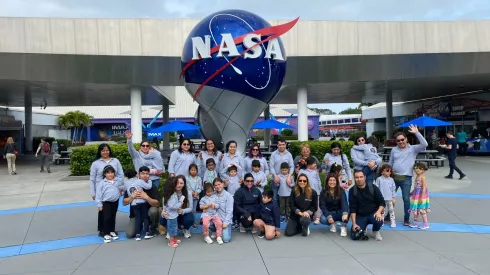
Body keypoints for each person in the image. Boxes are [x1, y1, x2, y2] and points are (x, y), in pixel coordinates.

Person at [389, 124, 428, 226]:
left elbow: (424, 144)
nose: (401, 142)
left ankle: (406, 218)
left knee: (406, 199)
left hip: (406, 178)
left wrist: (417, 133)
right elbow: (390, 162)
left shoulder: (413, 149)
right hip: (394, 177)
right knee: (389, 197)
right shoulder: (394, 150)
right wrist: (387, 174)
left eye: (402, 139)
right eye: (398, 140)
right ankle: (389, 216)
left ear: (406, 139)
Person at [89, 143, 124, 236]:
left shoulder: (115, 161)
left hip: (113, 189)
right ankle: (103, 230)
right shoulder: (95, 163)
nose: (105, 152)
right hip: (101, 190)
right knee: (103, 212)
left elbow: (120, 174)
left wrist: (120, 187)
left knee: (112, 211)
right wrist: (93, 193)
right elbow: (92, 179)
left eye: (107, 150)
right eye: (103, 150)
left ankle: (111, 229)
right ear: (100, 152)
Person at [123, 169, 160, 239]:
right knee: (129, 234)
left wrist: (146, 197)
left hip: (147, 211)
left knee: (153, 211)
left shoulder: (152, 186)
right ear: (138, 175)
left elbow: (157, 204)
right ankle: (139, 226)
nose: (145, 175)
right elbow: (124, 202)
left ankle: (152, 227)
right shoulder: (132, 185)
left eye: (147, 174)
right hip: (135, 212)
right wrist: (132, 197)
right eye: (143, 174)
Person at [349, 170, 385, 241]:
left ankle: (376, 230)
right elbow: (352, 208)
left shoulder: (373, 187)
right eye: (357, 177)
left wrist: (378, 212)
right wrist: (354, 224)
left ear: (365, 177)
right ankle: (363, 227)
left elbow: (382, 202)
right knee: (354, 236)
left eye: (361, 177)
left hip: (373, 213)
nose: (359, 179)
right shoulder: (352, 190)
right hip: (360, 216)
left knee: (378, 221)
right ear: (354, 178)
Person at [160, 175, 195, 240]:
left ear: (184, 184)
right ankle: (170, 231)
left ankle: (186, 229)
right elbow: (164, 208)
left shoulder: (188, 193)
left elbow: (191, 208)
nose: (179, 185)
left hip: (182, 214)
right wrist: (163, 213)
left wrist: (183, 211)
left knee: (190, 219)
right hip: (172, 214)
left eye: (181, 183)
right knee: (162, 219)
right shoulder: (170, 193)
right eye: (177, 183)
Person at [96, 165, 123, 243]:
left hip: (115, 202)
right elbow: (98, 194)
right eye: (108, 173)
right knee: (106, 217)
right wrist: (99, 204)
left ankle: (112, 231)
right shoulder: (102, 183)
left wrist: (121, 192)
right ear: (105, 174)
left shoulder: (117, 181)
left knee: (112, 216)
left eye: (112, 172)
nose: (110, 174)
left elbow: (120, 189)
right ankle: (106, 233)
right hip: (106, 202)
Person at [161, 177, 185, 248]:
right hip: (171, 216)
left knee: (174, 227)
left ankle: (174, 238)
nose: (177, 185)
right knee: (172, 228)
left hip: (174, 215)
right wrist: (180, 203)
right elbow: (172, 206)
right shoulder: (171, 196)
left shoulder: (172, 194)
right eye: (176, 184)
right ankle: (171, 241)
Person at [209, 178, 234, 243]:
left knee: (226, 239)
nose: (218, 186)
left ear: (223, 184)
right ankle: (214, 230)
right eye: (215, 185)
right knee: (206, 221)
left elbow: (230, 211)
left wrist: (225, 223)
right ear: (214, 187)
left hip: (224, 220)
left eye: (219, 184)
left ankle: (222, 230)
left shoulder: (228, 196)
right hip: (215, 218)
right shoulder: (212, 195)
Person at [298, 157, 322, 224]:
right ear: (309, 164)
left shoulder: (315, 171)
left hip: (316, 191)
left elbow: (318, 180)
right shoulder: (302, 171)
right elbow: (299, 180)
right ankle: (306, 216)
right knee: (307, 204)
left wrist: (320, 189)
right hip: (306, 191)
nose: (315, 165)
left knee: (317, 204)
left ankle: (317, 218)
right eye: (314, 163)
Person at [409, 163, 431, 229]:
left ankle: (426, 223)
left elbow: (424, 188)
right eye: (415, 168)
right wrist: (412, 192)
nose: (416, 169)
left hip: (421, 195)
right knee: (416, 209)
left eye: (418, 168)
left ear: (423, 170)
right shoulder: (416, 177)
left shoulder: (423, 178)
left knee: (421, 209)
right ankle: (415, 222)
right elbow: (416, 187)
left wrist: (422, 197)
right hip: (416, 195)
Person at [187, 164, 202, 228]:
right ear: (189, 171)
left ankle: (193, 222)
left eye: (194, 170)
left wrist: (197, 192)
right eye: (192, 170)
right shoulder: (187, 178)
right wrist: (191, 193)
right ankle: (188, 221)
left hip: (196, 197)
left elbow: (200, 187)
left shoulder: (199, 178)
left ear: (197, 171)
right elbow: (187, 187)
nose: (193, 171)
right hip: (189, 196)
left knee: (194, 210)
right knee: (188, 209)